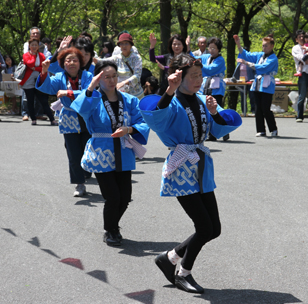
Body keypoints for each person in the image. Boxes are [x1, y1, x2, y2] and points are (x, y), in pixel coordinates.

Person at [138, 53, 241, 294]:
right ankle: (184, 273)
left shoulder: (203, 101)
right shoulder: (171, 102)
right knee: (204, 227)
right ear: (178, 76)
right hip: (181, 167)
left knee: (214, 229)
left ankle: (169, 258)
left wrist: (215, 112)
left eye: (200, 75)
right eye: (193, 76)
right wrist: (169, 91)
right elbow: (155, 118)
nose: (198, 80)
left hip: (201, 167)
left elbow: (219, 128)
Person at [70, 61, 150, 246]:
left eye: (114, 75)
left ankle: (113, 225)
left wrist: (129, 129)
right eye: (106, 76)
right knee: (112, 197)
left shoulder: (129, 100)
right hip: (102, 151)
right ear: (98, 79)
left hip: (123, 149)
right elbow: (79, 109)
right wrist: (90, 87)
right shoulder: (93, 98)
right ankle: (110, 230)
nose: (112, 79)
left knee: (125, 197)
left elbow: (142, 121)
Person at [36, 47, 93, 196]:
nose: (72, 63)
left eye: (75, 60)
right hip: (69, 118)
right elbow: (47, 87)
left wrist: (68, 92)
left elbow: (89, 92)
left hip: (87, 117)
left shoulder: (87, 76)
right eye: (68, 60)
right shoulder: (59, 77)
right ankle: (79, 184)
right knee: (73, 153)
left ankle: (87, 171)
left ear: (80, 63)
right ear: (63, 64)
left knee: (88, 149)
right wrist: (44, 72)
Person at [235, 34, 279, 136]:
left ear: (272, 46)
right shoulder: (260, 55)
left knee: (265, 108)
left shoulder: (273, 58)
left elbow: (263, 67)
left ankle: (273, 129)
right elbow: (248, 55)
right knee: (258, 108)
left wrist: (247, 63)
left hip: (267, 85)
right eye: (263, 45)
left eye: (266, 46)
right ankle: (261, 130)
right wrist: (238, 45)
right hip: (258, 83)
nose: (264, 48)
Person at [191, 37, 227, 141]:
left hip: (217, 88)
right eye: (210, 48)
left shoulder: (220, 60)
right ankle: (212, 133)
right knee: (207, 109)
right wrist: (188, 49)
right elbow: (194, 58)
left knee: (217, 110)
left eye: (214, 48)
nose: (211, 50)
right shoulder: (206, 57)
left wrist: (200, 64)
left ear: (219, 49)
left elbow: (210, 70)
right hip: (207, 87)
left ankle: (225, 131)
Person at [19, 38, 56, 126]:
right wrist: (34, 59)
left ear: (38, 46)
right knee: (30, 101)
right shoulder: (26, 55)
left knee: (43, 100)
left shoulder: (42, 56)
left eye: (36, 45)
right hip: (28, 81)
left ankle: (52, 119)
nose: (34, 47)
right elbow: (29, 63)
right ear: (29, 46)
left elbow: (44, 67)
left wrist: (35, 68)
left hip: (39, 80)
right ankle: (33, 119)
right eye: (32, 45)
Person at [98, 33, 144, 99]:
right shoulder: (116, 58)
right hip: (122, 94)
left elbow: (137, 76)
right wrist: (91, 58)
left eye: (126, 43)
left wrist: (123, 83)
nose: (124, 46)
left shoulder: (137, 58)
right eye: (121, 44)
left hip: (136, 95)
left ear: (131, 45)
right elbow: (102, 61)